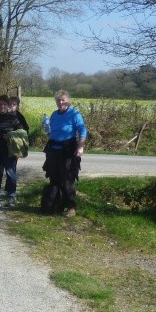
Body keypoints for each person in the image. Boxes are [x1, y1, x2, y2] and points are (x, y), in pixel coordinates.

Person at [42, 89, 87, 217]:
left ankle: (71, 207)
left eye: (63, 100)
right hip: (53, 149)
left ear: (68, 101)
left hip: (68, 149)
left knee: (67, 178)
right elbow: (50, 131)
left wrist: (81, 146)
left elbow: (82, 130)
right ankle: (56, 204)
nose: (61, 102)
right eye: (58, 100)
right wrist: (46, 127)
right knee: (54, 177)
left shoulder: (74, 114)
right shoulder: (54, 114)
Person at [0, 95, 23, 206]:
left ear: (7, 106)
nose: (2, 106)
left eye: (4, 104)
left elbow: (21, 133)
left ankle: (11, 194)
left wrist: (11, 135)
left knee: (11, 173)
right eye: (0, 104)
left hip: (10, 151)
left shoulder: (13, 118)